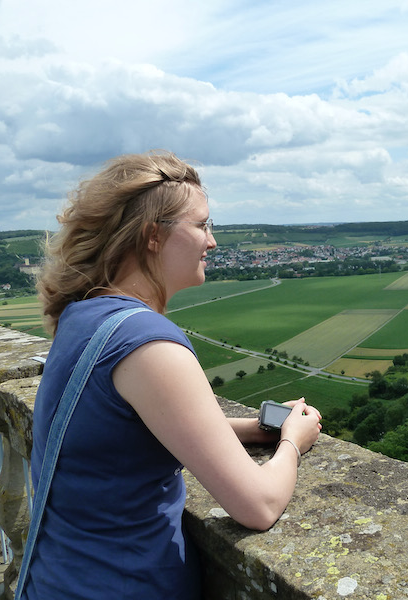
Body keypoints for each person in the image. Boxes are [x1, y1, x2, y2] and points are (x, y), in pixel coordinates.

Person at [20, 151, 322, 599]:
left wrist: (251, 430)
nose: (212, 241)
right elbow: (258, 505)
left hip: (59, 579)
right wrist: (293, 442)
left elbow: (123, 431)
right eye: (201, 225)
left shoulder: (84, 316)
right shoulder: (151, 345)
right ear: (152, 237)